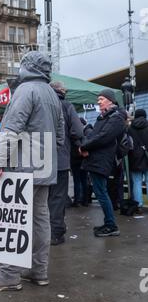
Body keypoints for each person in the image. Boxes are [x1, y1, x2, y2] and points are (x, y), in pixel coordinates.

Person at [0, 51, 65, 292]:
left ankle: (8, 274)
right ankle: (39, 270)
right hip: (44, 167)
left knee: (14, 219)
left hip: (23, 167)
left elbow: (10, 129)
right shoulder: (52, 94)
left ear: (27, 67)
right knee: (40, 219)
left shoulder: (25, 91)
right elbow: (60, 137)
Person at [80, 89, 126, 237]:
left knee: (102, 193)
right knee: (101, 193)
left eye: (101, 99)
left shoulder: (116, 118)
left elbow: (103, 137)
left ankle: (111, 225)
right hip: (95, 160)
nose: (98, 102)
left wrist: (85, 147)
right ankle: (109, 223)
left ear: (110, 100)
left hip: (101, 161)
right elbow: (94, 135)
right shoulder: (104, 117)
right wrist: (85, 147)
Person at [48, 82, 84, 246]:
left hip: (37, 159)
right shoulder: (66, 105)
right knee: (57, 197)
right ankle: (56, 233)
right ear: (62, 91)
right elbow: (77, 130)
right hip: (60, 158)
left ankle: (40, 232)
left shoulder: (39, 104)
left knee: (40, 197)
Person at [128, 109, 148, 214]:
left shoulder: (130, 128)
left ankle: (138, 205)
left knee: (136, 182)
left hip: (135, 159)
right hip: (146, 157)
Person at [71, 118, 89, 207]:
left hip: (75, 160)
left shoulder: (73, 135)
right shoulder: (85, 135)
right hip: (83, 160)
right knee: (84, 180)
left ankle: (77, 200)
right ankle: (85, 200)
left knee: (77, 181)